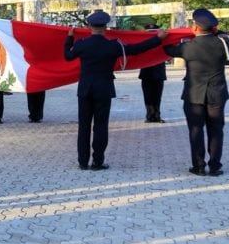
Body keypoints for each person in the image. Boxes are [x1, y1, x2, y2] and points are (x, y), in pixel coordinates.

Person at [64, 10, 167, 171]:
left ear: (89, 26)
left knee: (83, 126)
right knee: (101, 126)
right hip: (104, 89)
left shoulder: (81, 44)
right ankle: (98, 162)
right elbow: (138, 48)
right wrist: (158, 39)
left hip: (85, 89)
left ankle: (83, 162)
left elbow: (67, 56)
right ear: (106, 27)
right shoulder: (114, 45)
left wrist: (70, 37)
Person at [163, 8, 229, 176]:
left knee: (195, 129)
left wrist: (163, 37)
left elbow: (168, 50)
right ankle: (215, 166)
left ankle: (198, 166)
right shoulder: (222, 43)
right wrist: (220, 32)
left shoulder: (188, 47)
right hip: (217, 94)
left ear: (195, 26)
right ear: (212, 27)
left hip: (194, 95)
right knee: (216, 130)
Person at [139, 23, 167, 123]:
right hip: (146, 73)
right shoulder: (143, 41)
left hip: (159, 73)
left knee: (157, 97)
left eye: (154, 31)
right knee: (147, 96)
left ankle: (157, 116)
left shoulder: (164, 40)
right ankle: (149, 116)